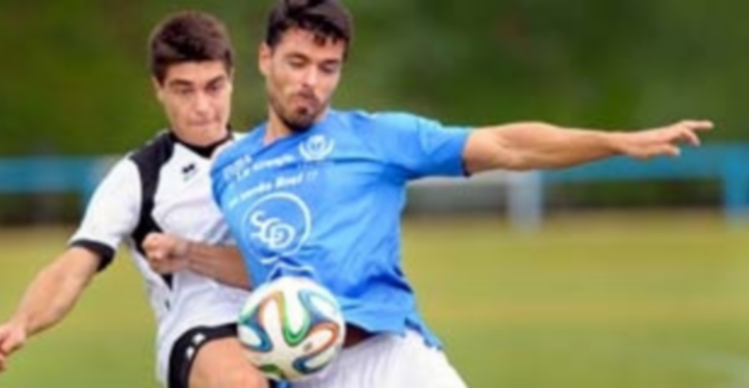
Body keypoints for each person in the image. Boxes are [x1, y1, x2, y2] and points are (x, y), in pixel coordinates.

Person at [208, 0, 717, 386]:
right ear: (264, 58)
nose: (311, 82)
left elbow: (506, 145)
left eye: (328, 67)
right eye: (297, 62)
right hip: (295, 374)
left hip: (389, 362)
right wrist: (191, 255)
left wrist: (613, 142)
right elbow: (267, 265)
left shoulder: (376, 138)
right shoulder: (230, 168)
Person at [0, 10, 270, 388]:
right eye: (184, 89)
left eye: (213, 87)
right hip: (200, 330)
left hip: (280, 318)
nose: (202, 106)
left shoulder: (266, 156)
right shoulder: (136, 177)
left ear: (231, 80)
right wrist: (21, 323)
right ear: (158, 88)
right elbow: (73, 269)